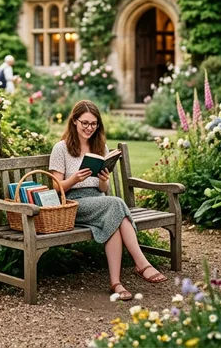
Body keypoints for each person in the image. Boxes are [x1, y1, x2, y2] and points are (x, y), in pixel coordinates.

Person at [49, 100, 166, 301]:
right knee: (116, 205)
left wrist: (104, 180)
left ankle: (116, 283)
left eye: (93, 124)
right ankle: (141, 263)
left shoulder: (99, 146)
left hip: (98, 200)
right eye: (84, 123)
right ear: (74, 121)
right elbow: (56, 188)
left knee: (113, 216)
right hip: (72, 204)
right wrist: (74, 179)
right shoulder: (61, 148)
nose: (89, 128)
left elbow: (103, 189)